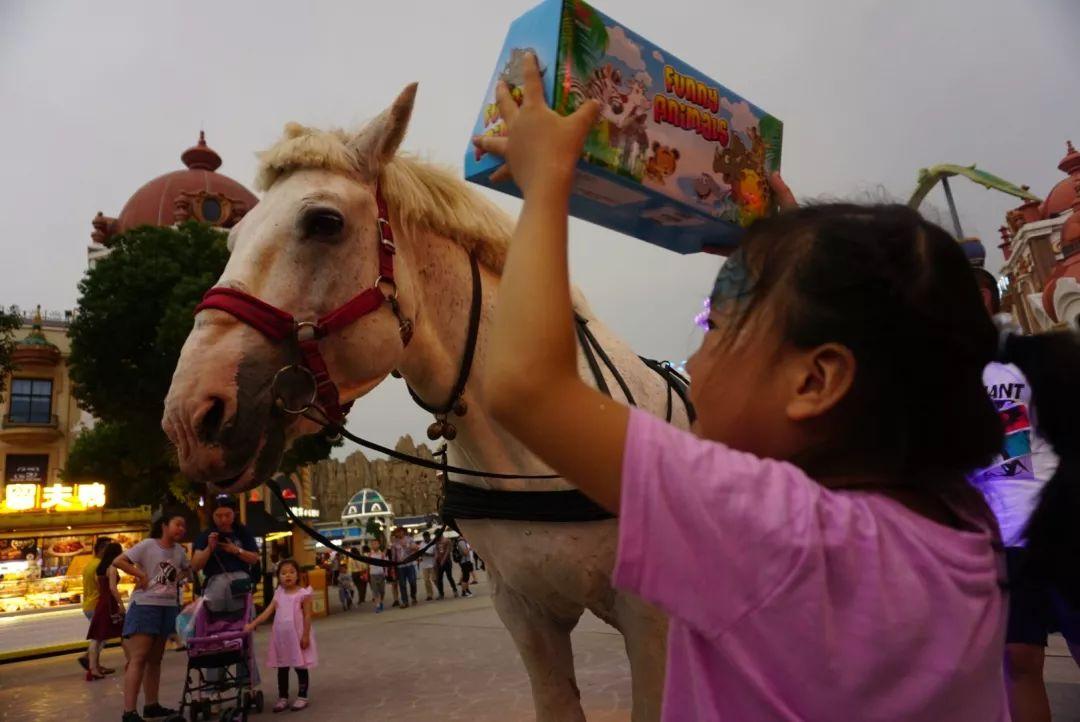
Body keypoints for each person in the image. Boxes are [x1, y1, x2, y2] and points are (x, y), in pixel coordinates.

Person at [469, 53, 1080, 720]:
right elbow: (877, 318)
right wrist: (788, 255)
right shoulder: (962, 527)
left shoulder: (776, 533)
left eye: (717, 323)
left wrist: (546, 180)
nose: (694, 361)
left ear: (815, 381)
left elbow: (525, 384)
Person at [971, 269, 1080, 722]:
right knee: (1018, 659)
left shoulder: (1026, 360)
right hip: (1001, 539)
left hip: (1057, 523)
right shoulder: (939, 374)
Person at [113, 508, 190, 722]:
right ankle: (129, 711)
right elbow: (119, 561)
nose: (181, 529)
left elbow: (187, 569)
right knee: (139, 657)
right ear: (164, 526)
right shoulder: (148, 545)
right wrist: (141, 574)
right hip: (145, 605)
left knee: (156, 659)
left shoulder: (179, 551)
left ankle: (151, 705)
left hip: (168, 606)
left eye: (184, 526)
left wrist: (180, 576)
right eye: (178, 524)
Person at [245, 559, 316, 712]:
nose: (288, 575)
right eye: (283, 573)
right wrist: (252, 624)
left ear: (298, 575)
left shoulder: (304, 594)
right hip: (281, 639)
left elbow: (307, 616)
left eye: (291, 572)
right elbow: (267, 612)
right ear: (278, 576)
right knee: (282, 668)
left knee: (300, 667)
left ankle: (302, 696)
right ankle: (283, 697)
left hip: (297, 637)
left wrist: (305, 635)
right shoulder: (278, 594)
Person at [85, 541, 125, 680]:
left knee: (97, 637)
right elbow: (113, 588)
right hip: (109, 604)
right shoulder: (112, 568)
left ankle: (93, 668)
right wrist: (121, 604)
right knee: (124, 633)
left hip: (101, 602)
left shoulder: (99, 568)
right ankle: (132, 662)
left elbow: (98, 585)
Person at [78, 536, 113, 674]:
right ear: (102, 549)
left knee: (101, 636)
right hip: (96, 604)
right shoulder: (100, 566)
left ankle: (95, 664)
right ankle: (91, 662)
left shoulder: (90, 564)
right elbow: (102, 587)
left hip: (89, 604)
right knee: (100, 637)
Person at [390, 527, 418, 608]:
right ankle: (405, 601)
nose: (397, 534)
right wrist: (393, 567)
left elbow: (416, 548)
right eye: (396, 533)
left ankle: (413, 596)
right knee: (402, 584)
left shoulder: (409, 539)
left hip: (409, 564)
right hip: (400, 566)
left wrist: (406, 545)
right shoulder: (395, 543)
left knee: (412, 582)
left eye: (398, 532)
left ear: (402, 532)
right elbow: (393, 556)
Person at [367, 538, 388, 613]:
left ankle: (381, 602)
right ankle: (377, 606)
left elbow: (385, 564)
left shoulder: (382, 554)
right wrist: (367, 574)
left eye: (376, 544)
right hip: (373, 574)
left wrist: (386, 573)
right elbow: (367, 565)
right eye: (373, 544)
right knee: (375, 591)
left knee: (382, 591)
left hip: (381, 574)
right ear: (371, 546)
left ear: (379, 545)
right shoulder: (369, 555)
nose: (374, 545)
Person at [434, 534, 457, 599]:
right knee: (439, 578)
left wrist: (443, 560)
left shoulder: (447, 540)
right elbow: (436, 551)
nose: (436, 537)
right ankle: (441, 594)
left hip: (447, 562)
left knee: (449, 576)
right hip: (439, 562)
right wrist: (436, 560)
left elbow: (448, 551)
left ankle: (455, 590)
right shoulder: (437, 542)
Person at [419, 531, 437, 601]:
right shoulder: (421, 544)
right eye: (424, 537)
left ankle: (440, 591)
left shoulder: (433, 543)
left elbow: (435, 553)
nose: (426, 538)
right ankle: (429, 595)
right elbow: (420, 553)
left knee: (434, 579)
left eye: (427, 537)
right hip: (424, 565)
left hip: (432, 563)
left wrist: (429, 554)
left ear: (429, 536)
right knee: (426, 581)